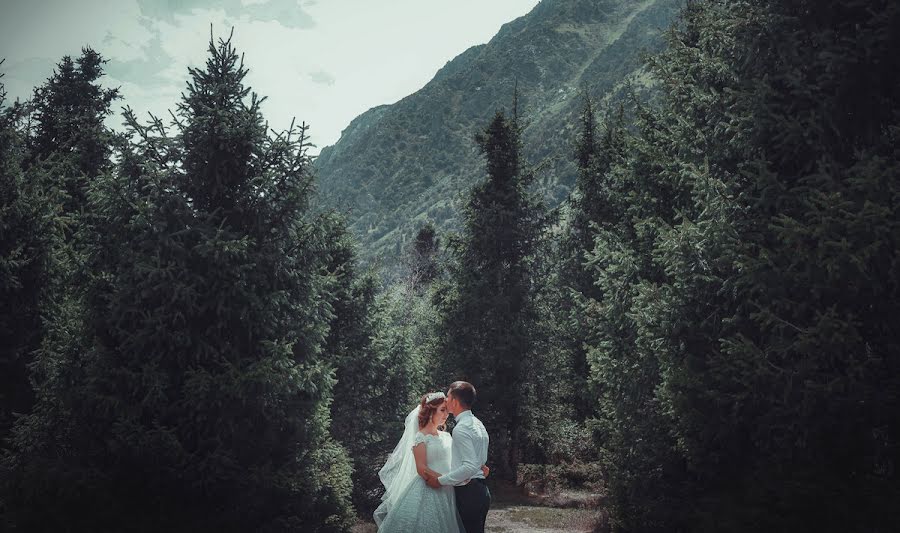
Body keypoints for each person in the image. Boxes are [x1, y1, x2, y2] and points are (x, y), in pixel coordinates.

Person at [374, 391, 489, 532]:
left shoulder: (447, 436)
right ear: (430, 412)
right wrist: (442, 480)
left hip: (448, 490)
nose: (446, 415)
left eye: (447, 411)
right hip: (429, 489)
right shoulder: (421, 437)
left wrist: (477, 467)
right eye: (442, 410)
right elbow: (421, 468)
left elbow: (459, 459)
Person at [426, 381, 491, 533]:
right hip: (481, 491)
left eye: (448, 396)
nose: (446, 399)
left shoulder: (461, 429)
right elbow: (479, 461)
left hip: (468, 494)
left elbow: (469, 466)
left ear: (454, 402)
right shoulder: (478, 424)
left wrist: (440, 480)